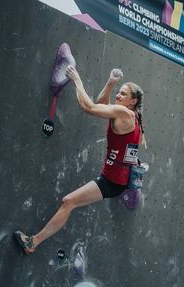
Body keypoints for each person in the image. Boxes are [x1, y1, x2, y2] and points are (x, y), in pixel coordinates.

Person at [14, 65, 146, 253]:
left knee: (68, 201)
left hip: (112, 181)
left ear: (132, 101)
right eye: (119, 92)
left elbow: (88, 107)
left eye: (123, 94)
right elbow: (101, 104)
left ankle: (33, 243)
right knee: (69, 202)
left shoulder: (125, 114)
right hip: (116, 180)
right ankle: (33, 243)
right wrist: (110, 82)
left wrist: (77, 79)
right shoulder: (128, 114)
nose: (118, 96)